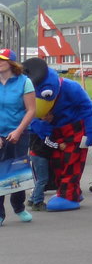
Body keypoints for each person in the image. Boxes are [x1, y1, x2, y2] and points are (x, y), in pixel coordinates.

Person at [25, 57, 92, 207]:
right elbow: (26, 113)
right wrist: (38, 125)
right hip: (56, 133)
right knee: (57, 164)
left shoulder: (70, 87)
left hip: (75, 130)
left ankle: (68, 197)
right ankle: (72, 192)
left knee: (72, 163)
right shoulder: (28, 91)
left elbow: (87, 107)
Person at [0, 48, 36, 226]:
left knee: (17, 170)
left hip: (19, 132)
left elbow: (31, 110)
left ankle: (19, 207)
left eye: (2, 59)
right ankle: (0, 213)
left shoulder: (24, 82)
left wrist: (18, 131)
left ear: (12, 63)